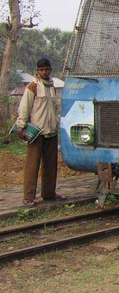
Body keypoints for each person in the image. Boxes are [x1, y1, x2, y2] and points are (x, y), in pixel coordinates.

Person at [16, 58, 64, 207]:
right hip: (36, 132)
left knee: (50, 165)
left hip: (51, 131)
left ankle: (49, 194)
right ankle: (28, 197)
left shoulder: (52, 86)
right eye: (41, 70)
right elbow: (24, 108)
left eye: (46, 69)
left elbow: (54, 109)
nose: (44, 72)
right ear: (37, 71)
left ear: (50, 70)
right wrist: (21, 126)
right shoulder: (32, 87)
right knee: (32, 165)